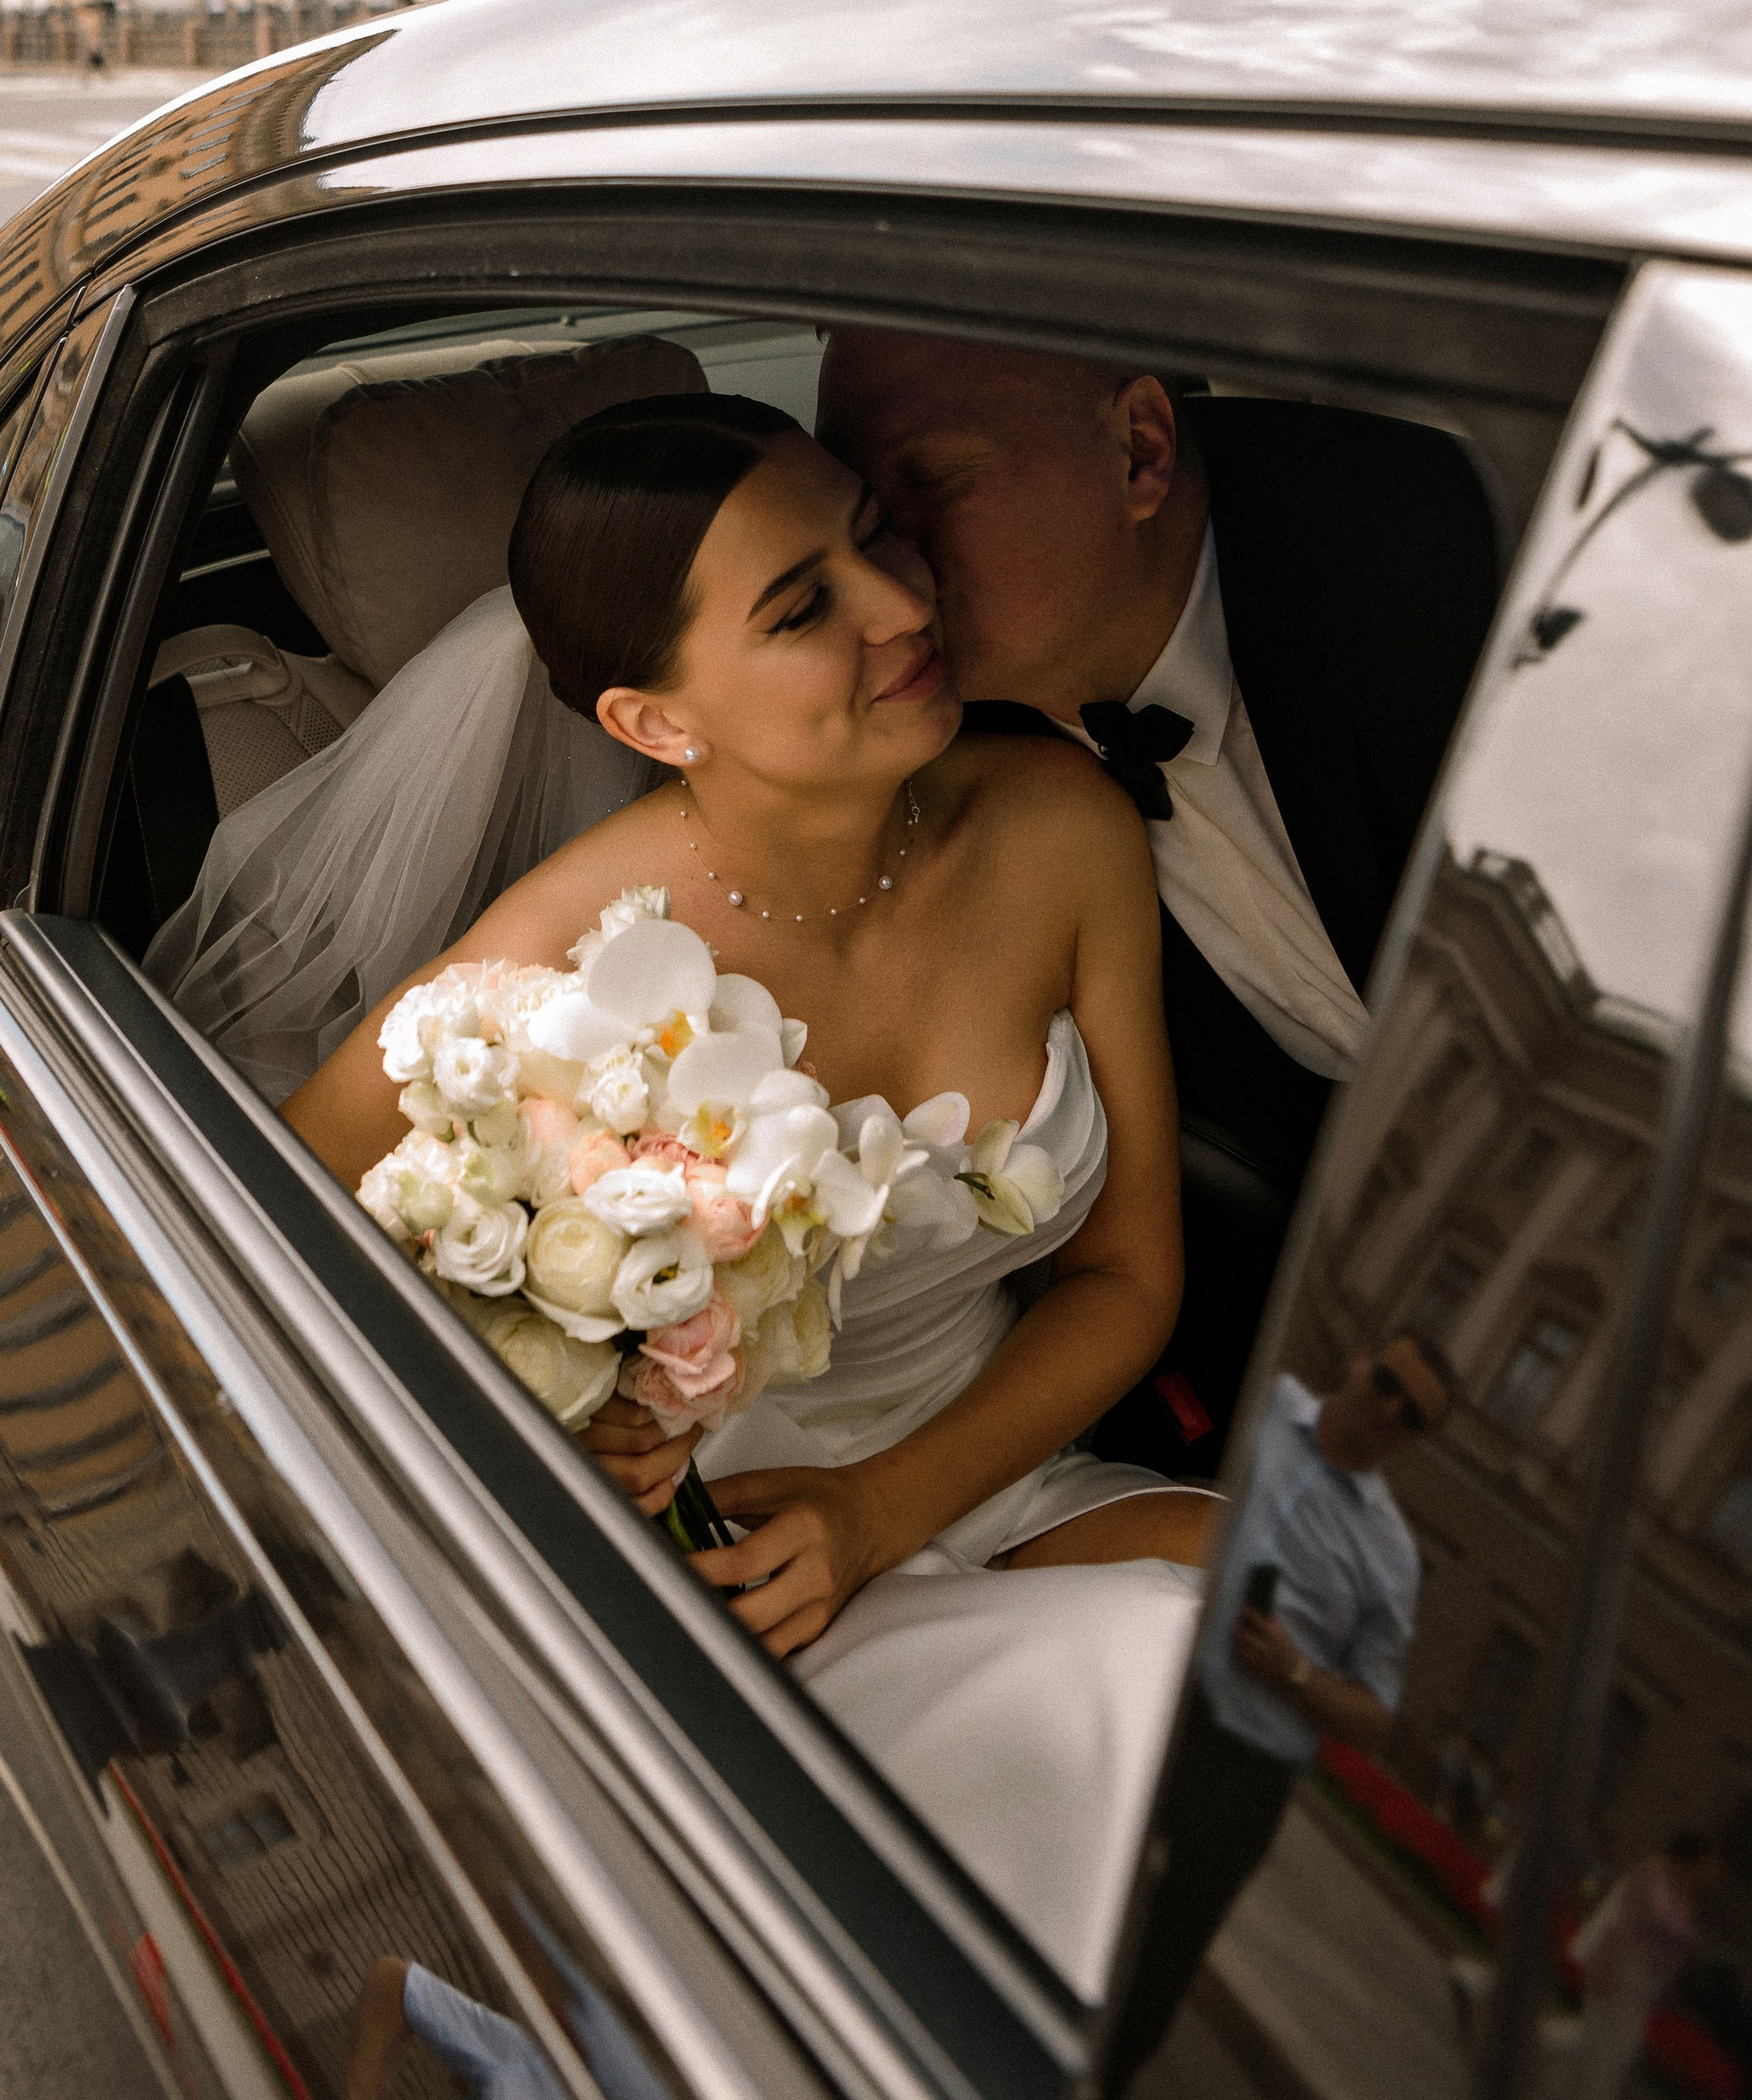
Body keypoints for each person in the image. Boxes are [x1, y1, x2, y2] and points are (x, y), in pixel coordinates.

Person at [282, 391, 1215, 1992]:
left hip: (978, 1468)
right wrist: (567, 1426)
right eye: (807, 608)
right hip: (724, 1585)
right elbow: (262, 1269)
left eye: (875, 538)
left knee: (1317, 1683)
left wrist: (879, 1510)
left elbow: (1130, 1280)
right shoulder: (542, 983)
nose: (908, 606)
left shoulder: (1063, 827)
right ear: (656, 723)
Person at [814, 336, 1501, 1469]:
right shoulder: (928, 743)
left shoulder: (1438, 570)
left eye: (931, 485)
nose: (892, 581)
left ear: (1140, 449)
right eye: (863, 516)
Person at [1101, 1333, 1451, 2088]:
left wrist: (1295, 1671)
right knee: (1080, 1850)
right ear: (1358, 1362)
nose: (1388, 1409)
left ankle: (1104, 2075)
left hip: (1245, 1765)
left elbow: (1375, 1718)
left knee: (1166, 1955)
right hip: (1158, 1677)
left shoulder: (1391, 1560)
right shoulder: (1261, 1402)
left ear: (1420, 1439)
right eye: (1386, 1379)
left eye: (1413, 1414)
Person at [1564, 1833, 1720, 2100]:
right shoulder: (1652, 1877)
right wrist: (1608, 1964)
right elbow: (1621, 1921)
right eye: (1710, 1863)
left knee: (1616, 2053)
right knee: (1600, 2051)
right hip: (1622, 1969)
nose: (1713, 1872)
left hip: (1643, 1987)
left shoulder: (1683, 1893)